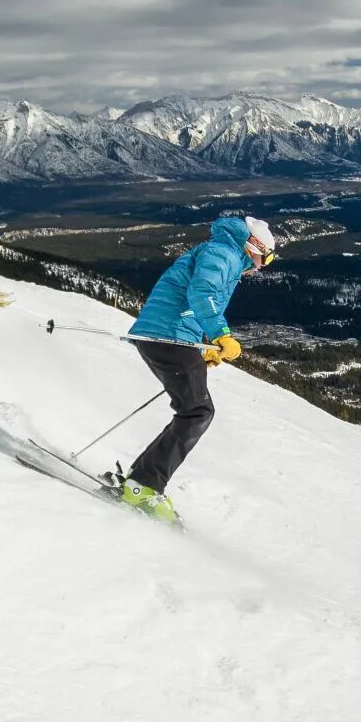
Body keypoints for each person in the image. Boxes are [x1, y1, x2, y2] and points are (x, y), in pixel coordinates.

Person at [115, 215, 276, 523]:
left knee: (195, 410)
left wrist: (202, 347)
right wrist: (220, 335)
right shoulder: (224, 253)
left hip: (169, 336)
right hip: (167, 336)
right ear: (252, 245)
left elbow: (191, 301)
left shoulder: (221, 251)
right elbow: (201, 294)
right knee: (197, 412)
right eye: (265, 256)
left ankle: (141, 480)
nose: (263, 264)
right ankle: (143, 485)